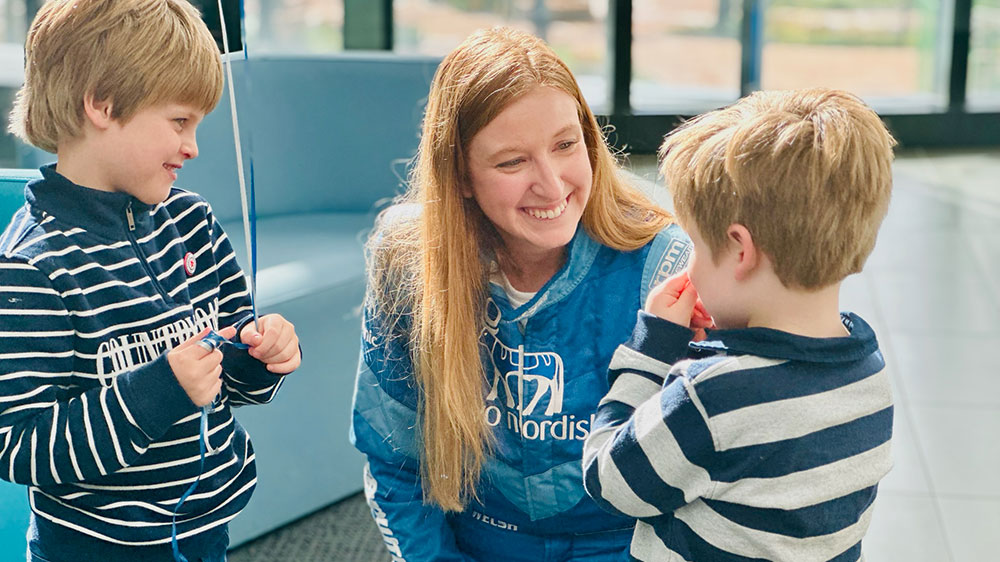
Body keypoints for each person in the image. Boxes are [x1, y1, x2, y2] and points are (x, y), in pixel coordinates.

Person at [350, 26, 692, 562]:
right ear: (460, 175)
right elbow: (395, 461)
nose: (553, 186)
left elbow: (715, 468)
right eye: (512, 162)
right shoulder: (406, 259)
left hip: (629, 543)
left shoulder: (666, 260)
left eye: (565, 145)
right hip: (481, 540)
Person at [0, 1, 301, 561]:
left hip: (204, 529)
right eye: (179, 121)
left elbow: (233, 376)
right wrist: (163, 388)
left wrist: (263, 353)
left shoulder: (193, 223)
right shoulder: (31, 265)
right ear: (102, 105)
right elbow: (21, 448)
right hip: (93, 548)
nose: (192, 146)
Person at [582, 88, 896, 561]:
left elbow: (609, 480)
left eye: (696, 248)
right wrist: (726, 348)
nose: (690, 268)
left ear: (740, 250)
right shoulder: (870, 371)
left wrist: (652, 353)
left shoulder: (712, 398)